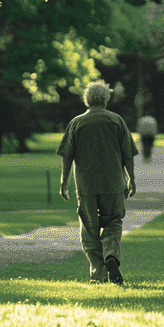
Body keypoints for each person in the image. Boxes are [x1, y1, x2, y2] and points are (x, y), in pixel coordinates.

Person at [57, 81, 138, 284]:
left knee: (89, 228)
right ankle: (111, 254)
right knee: (113, 221)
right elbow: (128, 154)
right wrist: (131, 178)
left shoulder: (77, 123)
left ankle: (98, 272)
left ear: (87, 99)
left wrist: (63, 182)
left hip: (86, 185)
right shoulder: (116, 121)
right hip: (113, 183)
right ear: (105, 99)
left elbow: (67, 155)